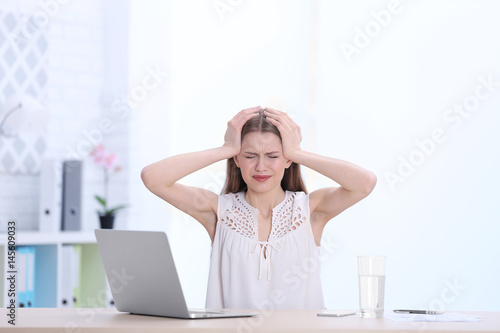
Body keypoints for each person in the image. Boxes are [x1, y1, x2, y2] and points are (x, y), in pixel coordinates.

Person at [141, 106, 377, 310]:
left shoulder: (311, 210)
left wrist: (297, 152)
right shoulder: (218, 211)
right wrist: (225, 149)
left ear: (287, 161)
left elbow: (364, 183)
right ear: (237, 159)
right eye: (250, 155)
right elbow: (153, 177)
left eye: (273, 156)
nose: (261, 166)